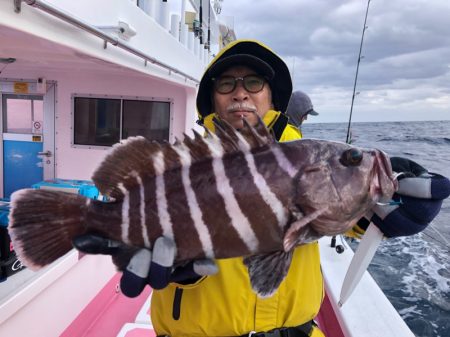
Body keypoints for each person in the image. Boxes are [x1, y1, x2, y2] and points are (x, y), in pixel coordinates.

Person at [73, 39, 450, 337]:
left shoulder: (308, 159)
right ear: (213, 99)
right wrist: (180, 273)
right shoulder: (189, 163)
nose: (241, 93)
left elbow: (345, 215)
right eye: (226, 83)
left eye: (253, 82)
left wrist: (391, 207)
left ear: (271, 96)